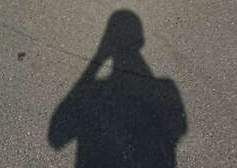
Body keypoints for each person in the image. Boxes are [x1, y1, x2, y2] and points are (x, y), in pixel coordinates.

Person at [48, 10, 186, 167]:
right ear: (140, 38)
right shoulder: (166, 86)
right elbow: (178, 128)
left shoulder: (96, 90)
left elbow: (57, 137)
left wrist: (98, 59)